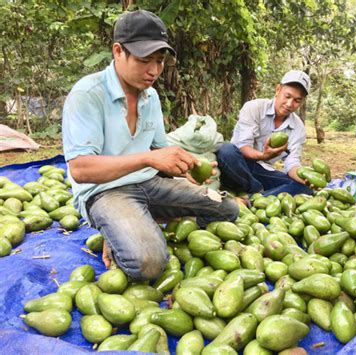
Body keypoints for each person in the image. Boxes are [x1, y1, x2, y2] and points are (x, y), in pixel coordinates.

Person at [62, 10, 239, 280]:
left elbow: (158, 152)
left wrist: (184, 167)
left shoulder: (151, 97)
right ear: (118, 51)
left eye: (159, 61)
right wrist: (147, 160)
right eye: (145, 60)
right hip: (106, 192)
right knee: (149, 264)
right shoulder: (88, 94)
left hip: (149, 185)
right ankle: (120, 229)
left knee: (227, 208)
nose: (154, 71)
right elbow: (81, 169)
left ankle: (135, 225)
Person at [217, 70, 314, 197]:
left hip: (261, 171)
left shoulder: (298, 128)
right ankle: (258, 190)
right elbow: (243, 146)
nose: (289, 104)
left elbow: (292, 163)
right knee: (225, 150)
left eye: (297, 100)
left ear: (302, 102)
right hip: (237, 166)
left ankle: (251, 200)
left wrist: (303, 177)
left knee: (304, 188)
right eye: (287, 96)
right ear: (278, 90)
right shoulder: (254, 108)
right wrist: (263, 155)